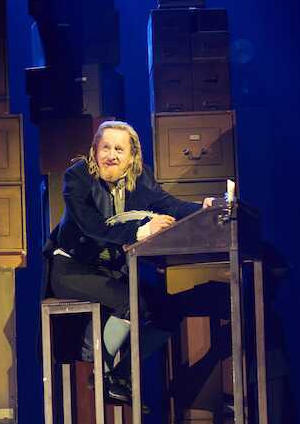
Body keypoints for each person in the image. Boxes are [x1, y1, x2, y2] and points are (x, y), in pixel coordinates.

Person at [45, 120, 219, 398]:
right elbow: (92, 226)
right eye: (105, 148)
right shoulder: (78, 177)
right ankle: (101, 373)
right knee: (130, 302)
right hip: (71, 269)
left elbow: (169, 204)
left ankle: (119, 375)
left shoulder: (140, 178)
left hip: (108, 273)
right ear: (94, 151)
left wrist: (203, 208)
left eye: (119, 149)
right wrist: (142, 230)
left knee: (168, 310)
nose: (111, 155)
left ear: (132, 156)